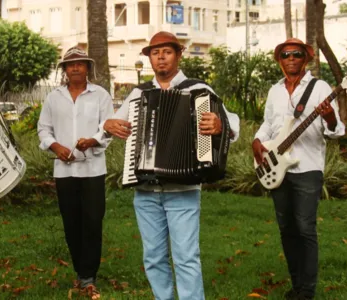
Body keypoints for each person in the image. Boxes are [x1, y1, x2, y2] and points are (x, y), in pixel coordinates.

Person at [103, 31, 240, 300]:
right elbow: (114, 125)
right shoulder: (139, 94)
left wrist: (220, 125)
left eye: (167, 52)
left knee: (186, 257)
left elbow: (232, 122)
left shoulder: (198, 90)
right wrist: (106, 125)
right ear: (150, 58)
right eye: (155, 53)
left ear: (178, 55)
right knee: (153, 257)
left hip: (183, 190)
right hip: (146, 191)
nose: (161, 57)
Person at [252, 38, 345, 300]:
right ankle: (296, 286)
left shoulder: (320, 88)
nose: (290, 58)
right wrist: (258, 140)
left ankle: (308, 291)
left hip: (308, 167)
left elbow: (337, 131)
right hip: (278, 168)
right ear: (279, 60)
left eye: (296, 54)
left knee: (305, 228)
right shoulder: (275, 91)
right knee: (286, 228)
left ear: (306, 58)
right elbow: (268, 124)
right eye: (285, 55)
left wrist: (328, 117)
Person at [37, 47, 114, 299]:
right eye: (70, 65)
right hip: (64, 171)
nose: (76, 68)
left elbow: (108, 128)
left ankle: (88, 275)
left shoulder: (100, 95)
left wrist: (92, 140)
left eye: (81, 64)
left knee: (92, 221)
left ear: (88, 68)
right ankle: (81, 272)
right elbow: (43, 129)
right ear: (64, 70)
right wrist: (55, 146)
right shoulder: (53, 97)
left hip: (93, 169)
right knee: (71, 223)